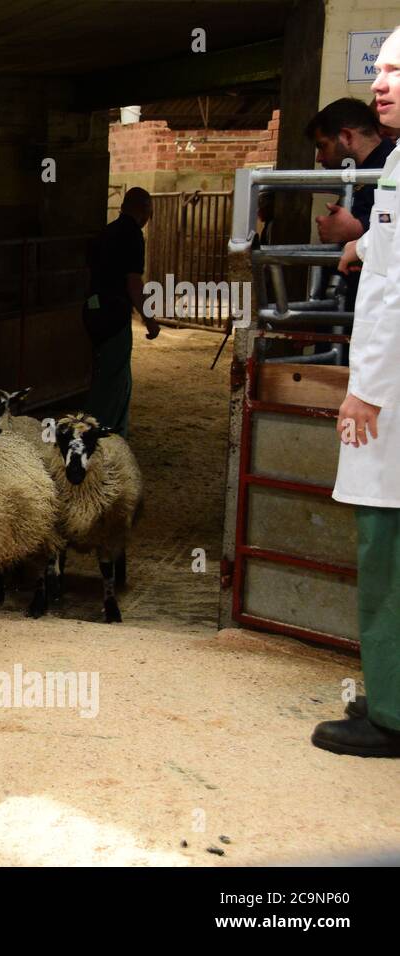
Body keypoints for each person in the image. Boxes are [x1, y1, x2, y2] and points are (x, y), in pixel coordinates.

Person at [313, 27, 400, 759]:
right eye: (381, 69)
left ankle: (394, 716)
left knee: (385, 545)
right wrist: (365, 243)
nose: (382, 83)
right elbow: (393, 251)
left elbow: (394, 295)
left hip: (391, 399)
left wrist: (364, 391)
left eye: (398, 72)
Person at [81, 187, 161, 436]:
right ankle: (97, 433)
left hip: (94, 311)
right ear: (144, 210)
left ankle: (109, 430)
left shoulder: (106, 232)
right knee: (113, 379)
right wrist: (149, 318)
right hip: (114, 314)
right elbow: (133, 282)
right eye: (149, 211)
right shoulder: (132, 236)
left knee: (108, 372)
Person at [307, 98, 395, 310]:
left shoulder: (392, 167)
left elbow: (394, 219)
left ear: (346, 137)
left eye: (322, 146)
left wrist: (358, 228)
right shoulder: (358, 175)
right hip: (351, 309)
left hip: (376, 310)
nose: (319, 158)